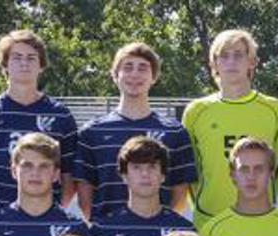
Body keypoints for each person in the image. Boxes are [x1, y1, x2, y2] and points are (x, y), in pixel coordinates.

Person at [0, 29, 79, 217]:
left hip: (46, 223)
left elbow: (69, 178)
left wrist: (47, 213)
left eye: (31, 58)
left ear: (41, 65)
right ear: (5, 65)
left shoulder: (60, 115)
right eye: (17, 57)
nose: (24, 63)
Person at [75, 42, 196, 219]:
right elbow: (85, 192)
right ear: (115, 75)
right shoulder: (92, 132)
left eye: (143, 68)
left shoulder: (174, 132)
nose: (135, 74)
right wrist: (102, 228)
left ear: (154, 77)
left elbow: (180, 192)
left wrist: (159, 225)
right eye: (128, 67)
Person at [182, 29, 278, 228]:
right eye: (224, 55)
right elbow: (191, 172)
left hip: (261, 219)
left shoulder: (275, 109)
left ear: (252, 62)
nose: (231, 61)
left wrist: (262, 205)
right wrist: (204, 207)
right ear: (213, 63)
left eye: (239, 55)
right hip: (210, 220)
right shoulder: (195, 112)